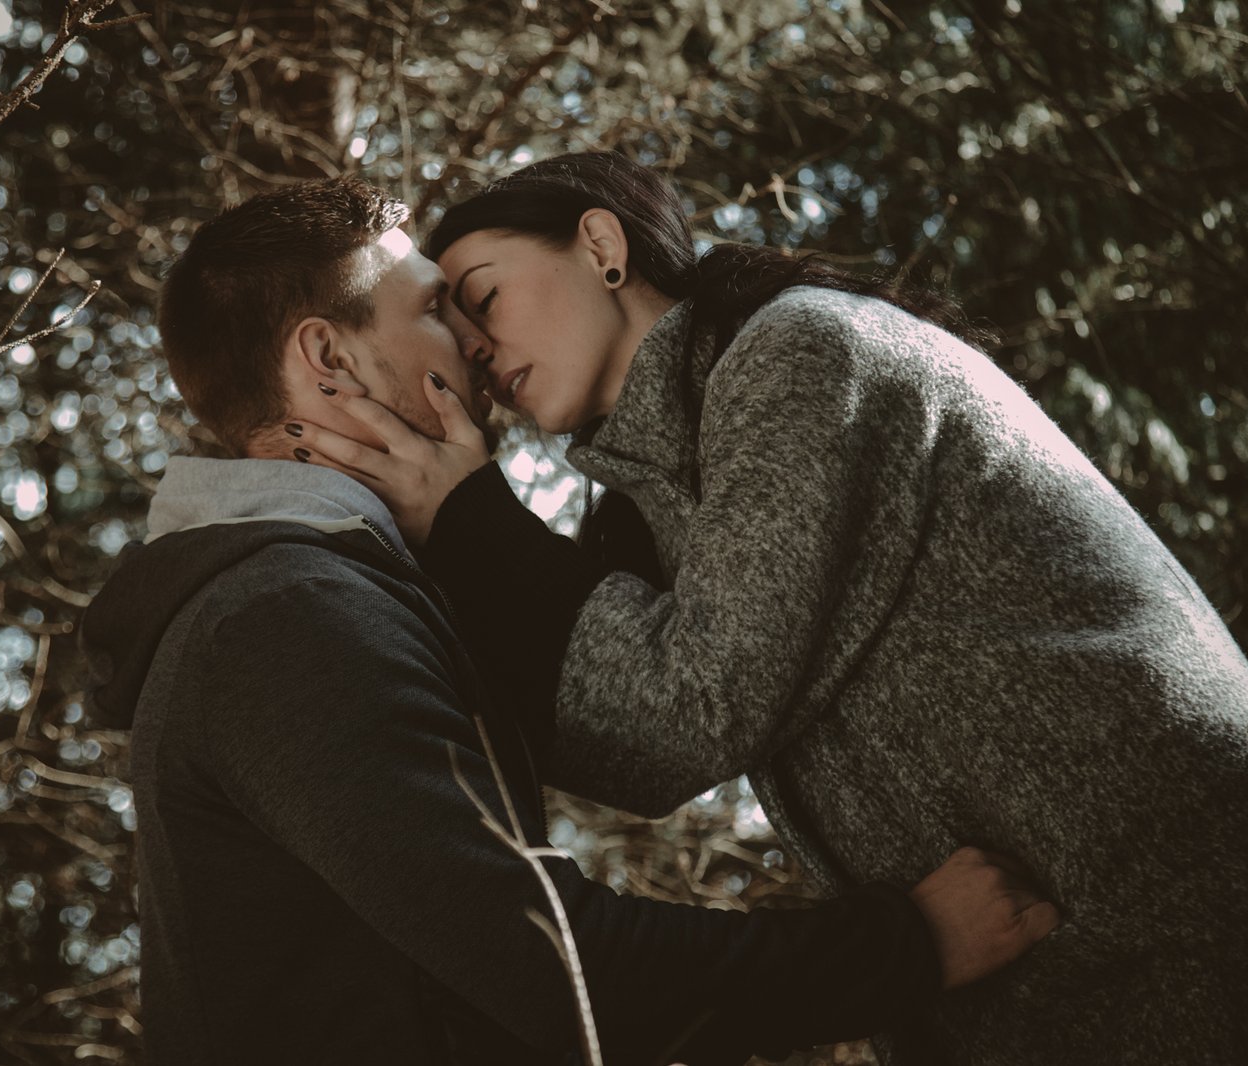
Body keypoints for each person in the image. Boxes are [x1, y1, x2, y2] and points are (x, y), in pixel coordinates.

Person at [294, 152, 1248, 1064]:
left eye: (482, 298)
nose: (474, 352)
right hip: (1052, 978)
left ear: (602, 245)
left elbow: (689, 705)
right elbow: (635, 757)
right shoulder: (657, 499)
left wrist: (472, 519)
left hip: (1202, 917)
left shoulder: (801, 353)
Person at [77, 178, 1058, 1066]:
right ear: (329, 359)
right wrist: (912, 945)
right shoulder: (284, 613)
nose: (472, 342)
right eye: (433, 307)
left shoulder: (313, 596)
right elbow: (568, 976)